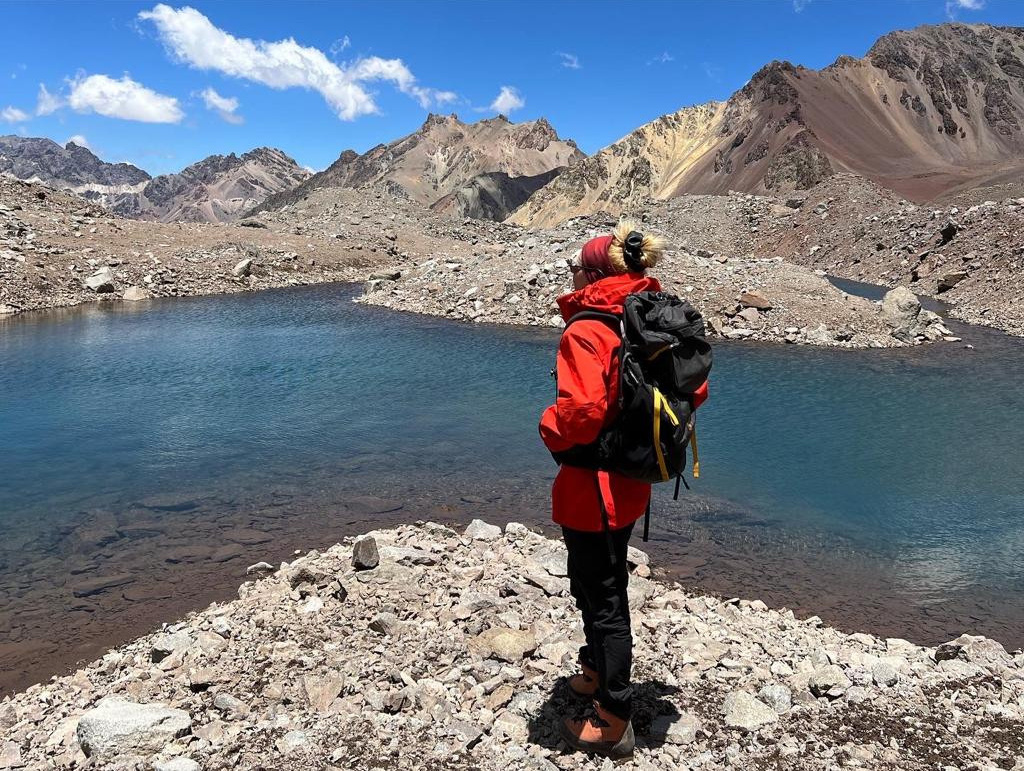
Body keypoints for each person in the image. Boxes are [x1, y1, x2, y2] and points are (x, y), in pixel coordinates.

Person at [538, 220, 665, 759]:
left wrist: (548, 422)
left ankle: (614, 717)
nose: (570, 275)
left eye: (575, 268)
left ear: (593, 273)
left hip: (592, 490)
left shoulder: (586, 329)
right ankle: (594, 669)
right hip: (631, 481)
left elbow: (582, 415)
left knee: (603, 593)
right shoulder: (648, 319)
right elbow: (694, 390)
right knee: (595, 578)